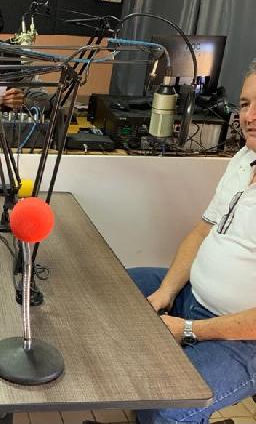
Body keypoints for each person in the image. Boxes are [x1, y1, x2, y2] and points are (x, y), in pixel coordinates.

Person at [128, 61, 256, 424]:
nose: (250, 116)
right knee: (116, 291)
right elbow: (202, 231)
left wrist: (187, 330)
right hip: (192, 298)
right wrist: (166, 292)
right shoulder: (244, 158)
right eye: (245, 104)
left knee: (168, 406)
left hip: (244, 338)